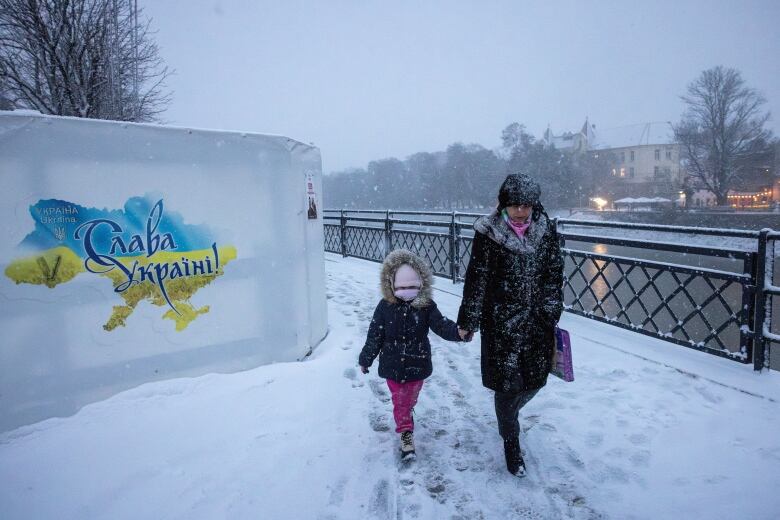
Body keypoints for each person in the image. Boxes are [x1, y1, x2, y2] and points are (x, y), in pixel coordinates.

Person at [457, 173, 564, 477]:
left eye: (526, 205)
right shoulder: (489, 233)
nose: (520, 211)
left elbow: (554, 274)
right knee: (506, 385)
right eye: (514, 205)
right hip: (501, 321)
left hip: (537, 320)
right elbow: (476, 278)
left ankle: (509, 416)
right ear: (504, 204)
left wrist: (550, 308)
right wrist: (468, 320)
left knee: (536, 378)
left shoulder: (546, 230)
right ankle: (510, 441)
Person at [359, 249, 469, 459]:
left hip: (417, 363)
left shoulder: (425, 306)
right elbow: (375, 335)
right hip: (392, 364)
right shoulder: (385, 307)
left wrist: (459, 333)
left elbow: (441, 325)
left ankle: (406, 415)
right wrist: (366, 359)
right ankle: (406, 433)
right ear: (391, 286)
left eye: (412, 287)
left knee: (408, 400)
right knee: (400, 401)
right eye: (401, 287)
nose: (407, 292)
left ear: (421, 285)